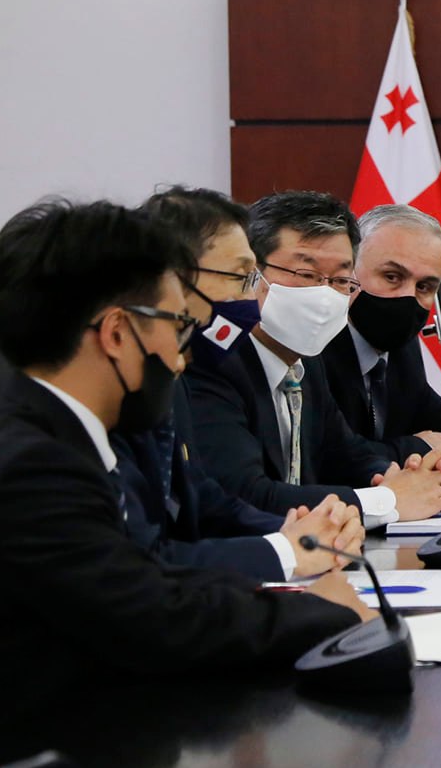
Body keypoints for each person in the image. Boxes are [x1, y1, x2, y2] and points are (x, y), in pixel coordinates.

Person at [0, 200, 370, 768]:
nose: (184, 356)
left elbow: (147, 576)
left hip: (74, 751)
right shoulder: (29, 466)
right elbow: (155, 618)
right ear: (117, 333)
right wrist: (321, 613)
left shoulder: (60, 435)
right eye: (178, 326)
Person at [185, 190, 441, 521]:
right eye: (307, 274)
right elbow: (245, 495)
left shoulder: (305, 361)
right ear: (252, 272)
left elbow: (344, 457)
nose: (324, 294)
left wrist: (413, 481)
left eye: (339, 279)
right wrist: (387, 499)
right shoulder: (213, 359)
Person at [128, 185, 362, 581]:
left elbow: (204, 499)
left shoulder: (169, 380)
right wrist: (286, 552)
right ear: (170, 280)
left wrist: (302, 534)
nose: (252, 298)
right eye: (241, 277)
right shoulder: (61, 433)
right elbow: (134, 565)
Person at [319, 203, 441, 466]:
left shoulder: (403, 348)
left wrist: (440, 451)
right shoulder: (315, 346)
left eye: (424, 286)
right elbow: (333, 458)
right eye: (392, 277)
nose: (407, 297)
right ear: (349, 273)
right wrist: (421, 448)